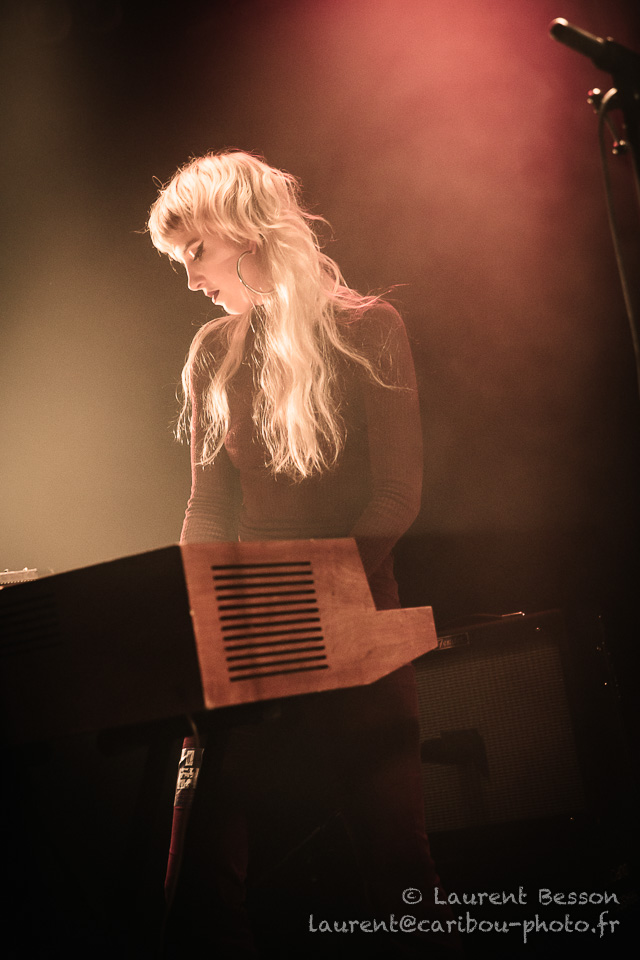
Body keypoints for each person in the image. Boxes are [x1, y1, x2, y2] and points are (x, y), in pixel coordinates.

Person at [147, 150, 459, 958]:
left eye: (196, 252)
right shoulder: (212, 351)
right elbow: (209, 509)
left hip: (361, 629)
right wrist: (199, 619)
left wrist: (312, 600)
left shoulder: (369, 328)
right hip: (254, 642)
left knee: (398, 867)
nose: (191, 279)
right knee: (204, 876)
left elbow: (395, 497)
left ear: (247, 231)